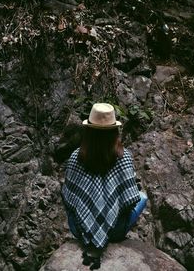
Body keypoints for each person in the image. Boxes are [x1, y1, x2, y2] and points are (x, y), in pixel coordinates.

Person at [61, 103, 148, 270]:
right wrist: (112, 207)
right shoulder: (124, 158)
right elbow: (130, 202)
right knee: (142, 197)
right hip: (114, 232)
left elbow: (68, 198)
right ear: (114, 132)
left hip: (80, 230)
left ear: (88, 132)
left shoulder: (75, 157)